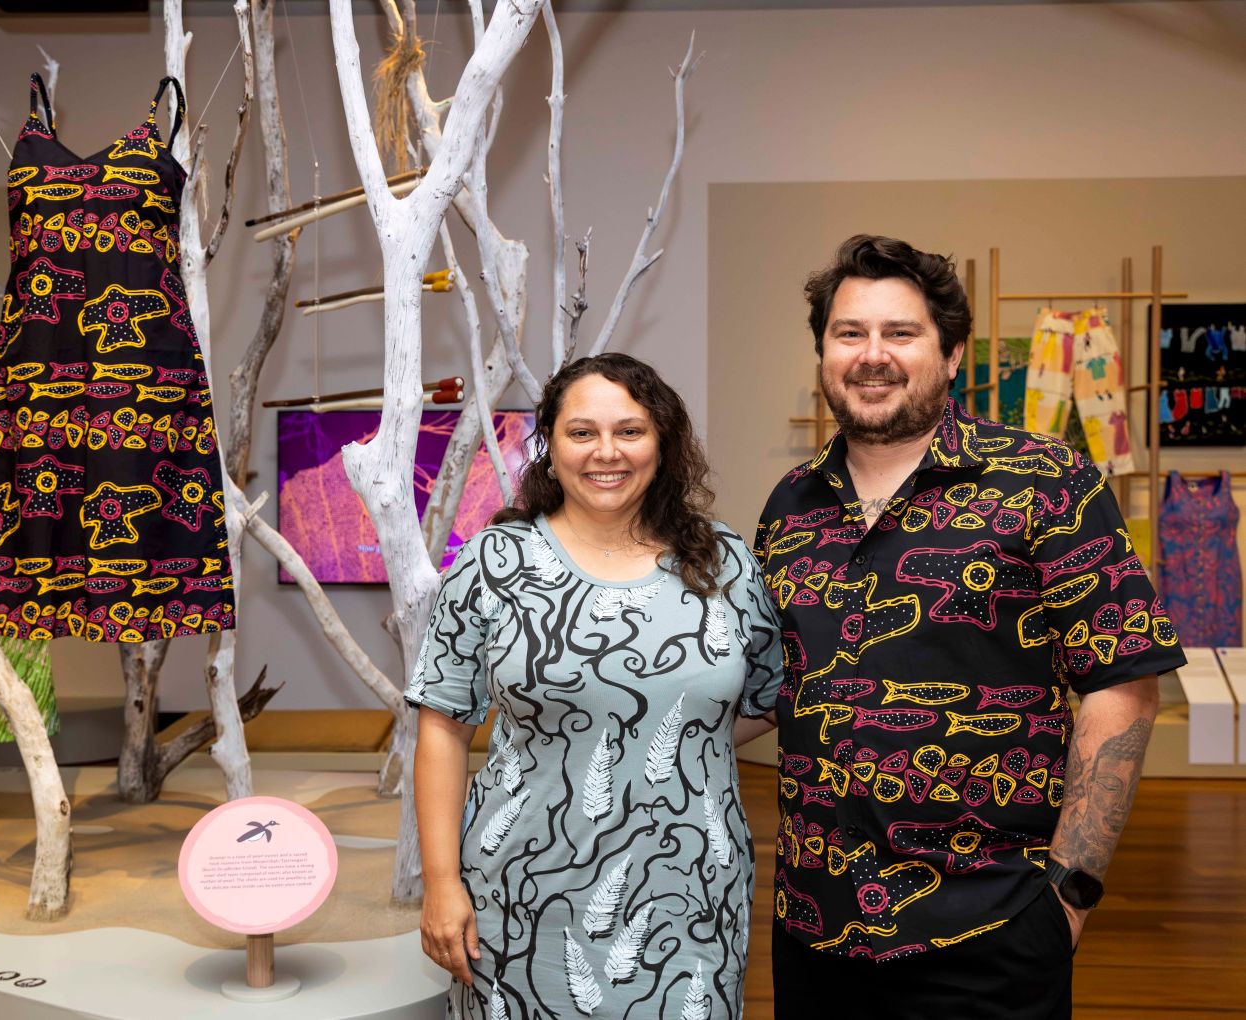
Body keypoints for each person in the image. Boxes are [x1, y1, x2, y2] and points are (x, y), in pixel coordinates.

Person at [753, 235, 1187, 1019]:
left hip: (990, 927)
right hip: (815, 928)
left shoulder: (1045, 480)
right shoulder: (790, 505)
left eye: (900, 333)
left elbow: (1124, 684)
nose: (871, 355)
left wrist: (1070, 894)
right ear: (822, 353)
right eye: (849, 333)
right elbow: (766, 686)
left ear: (952, 354)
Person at [407, 352, 783, 1020]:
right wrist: (441, 885)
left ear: (663, 444)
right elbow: (441, 724)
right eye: (582, 432)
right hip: (523, 891)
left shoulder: (725, 562)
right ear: (549, 446)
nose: (606, 452)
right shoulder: (492, 565)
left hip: (690, 890)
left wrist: (664, 746)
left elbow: (762, 699)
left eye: (630, 430)